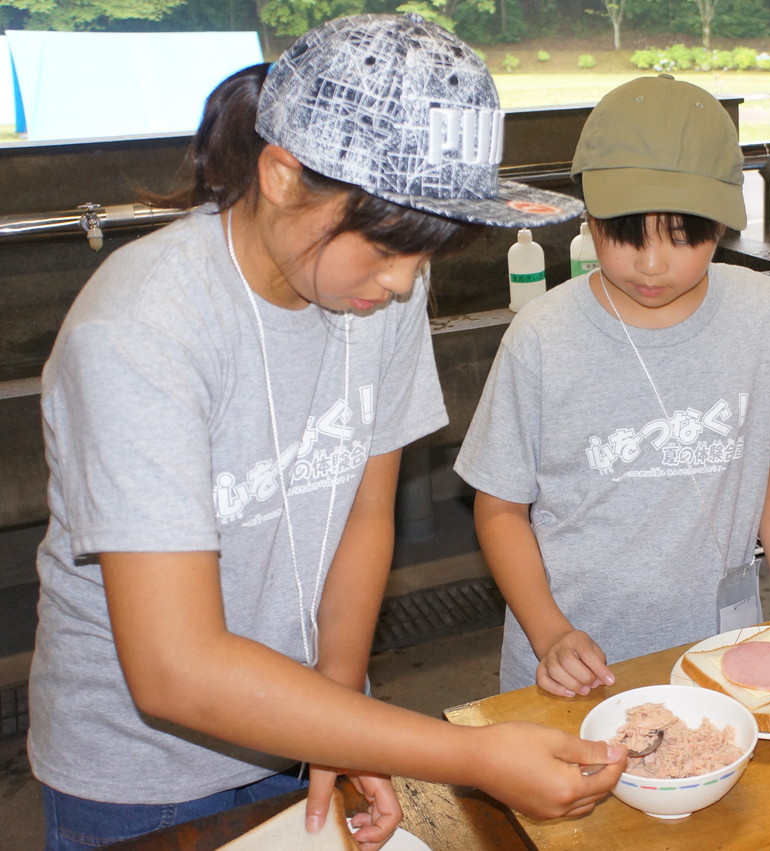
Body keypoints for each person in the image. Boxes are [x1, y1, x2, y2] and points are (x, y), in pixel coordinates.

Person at [29, 14, 627, 850]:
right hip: (144, 775)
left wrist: (340, 726)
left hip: (310, 720)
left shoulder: (382, 290)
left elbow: (363, 513)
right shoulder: (143, 328)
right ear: (280, 176)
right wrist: (467, 755)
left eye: (427, 254)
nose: (402, 283)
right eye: (389, 246)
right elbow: (176, 668)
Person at [454, 74, 770, 697]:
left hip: (716, 650)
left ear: (724, 222)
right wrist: (549, 633)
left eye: (682, 237)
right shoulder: (543, 336)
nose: (651, 264)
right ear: (589, 217)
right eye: (626, 236)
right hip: (574, 662)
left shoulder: (764, 314)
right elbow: (501, 508)